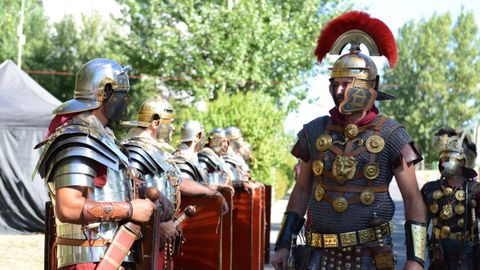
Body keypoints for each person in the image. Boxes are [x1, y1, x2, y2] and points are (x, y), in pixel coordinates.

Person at [271, 11, 427, 270]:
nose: (339, 91)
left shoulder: (392, 134)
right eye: (336, 83)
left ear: (369, 86)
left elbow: (412, 199)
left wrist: (416, 260)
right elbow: (301, 190)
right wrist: (283, 244)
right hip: (317, 256)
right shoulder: (315, 131)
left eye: (347, 83)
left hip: (369, 257)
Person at [34, 58, 156, 270]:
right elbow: (68, 206)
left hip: (113, 255)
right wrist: (129, 209)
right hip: (89, 258)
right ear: (105, 93)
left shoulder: (102, 137)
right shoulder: (78, 138)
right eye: (121, 93)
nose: (126, 99)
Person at [421, 128, 479, 269]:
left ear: (462, 162)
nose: (444, 163)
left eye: (449, 159)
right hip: (438, 252)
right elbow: (419, 224)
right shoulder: (429, 189)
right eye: (442, 159)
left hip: (465, 253)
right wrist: (416, 258)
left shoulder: (475, 189)